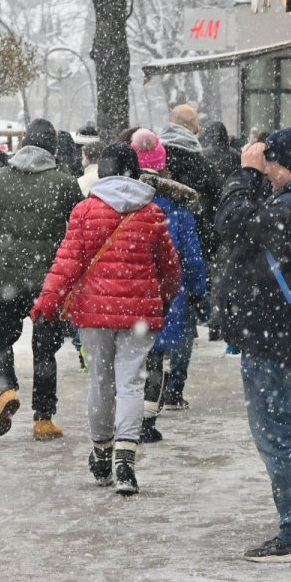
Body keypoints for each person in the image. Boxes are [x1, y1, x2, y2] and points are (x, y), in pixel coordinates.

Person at [215, 127, 291, 562]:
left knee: (277, 433)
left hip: (276, 340)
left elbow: (230, 224)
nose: (263, 172)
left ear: (285, 167)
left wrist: (241, 176)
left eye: (268, 164)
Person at [31, 144, 180, 496]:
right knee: (131, 383)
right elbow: (170, 268)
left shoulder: (84, 211)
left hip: (93, 314)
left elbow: (66, 263)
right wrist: (162, 298)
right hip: (139, 315)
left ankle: (101, 453)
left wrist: (47, 302)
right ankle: (125, 462)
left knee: (101, 381)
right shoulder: (152, 213)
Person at [0, 118, 83, 440]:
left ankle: (7, 389)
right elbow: (78, 231)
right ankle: (43, 419)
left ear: (24, 144)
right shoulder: (64, 182)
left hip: (6, 280)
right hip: (48, 283)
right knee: (45, 350)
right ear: (51, 147)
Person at [129, 130, 207, 444]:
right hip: (163, 296)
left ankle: (125, 419)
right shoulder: (177, 208)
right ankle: (147, 420)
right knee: (154, 358)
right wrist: (198, 289)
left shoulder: (121, 203)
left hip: (126, 294)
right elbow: (190, 255)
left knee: (127, 360)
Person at [154, 107, 223, 412]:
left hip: (152, 243)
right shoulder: (203, 166)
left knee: (153, 315)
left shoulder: (154, 158)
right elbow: (216, 209)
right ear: (194, 130)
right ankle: (174, 388)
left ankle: (152, 383)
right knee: (184, 320)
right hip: (190, 245)